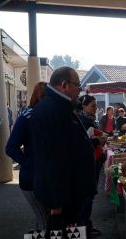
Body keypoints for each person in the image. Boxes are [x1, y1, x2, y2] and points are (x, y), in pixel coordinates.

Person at [30, 66, 96, 228]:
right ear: (65, 85)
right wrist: (56, 203)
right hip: (63, 199)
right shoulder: (51, 110)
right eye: (77, 86)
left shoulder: (60, 107)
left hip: (69, 194)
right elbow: (52, 159)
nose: (79, 91)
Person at [6, 81, 48, 232]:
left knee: (43, 220)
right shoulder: (28, 116)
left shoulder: (46, 116)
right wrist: (29, 164)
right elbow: (11, 147)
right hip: (31, 178)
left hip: (42, 177)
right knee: (45, 222)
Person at [76, 94, 105, 236]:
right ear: (83, 106)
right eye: (93, 106)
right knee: (88, 194)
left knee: (90, 194)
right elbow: (83, 145)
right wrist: (98, 141)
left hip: (94, 159)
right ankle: (84, 225)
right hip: (89, 161)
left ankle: (86, 224)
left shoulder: (89, 120)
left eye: (96, 105)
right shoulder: (83, 121)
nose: (95, 108)